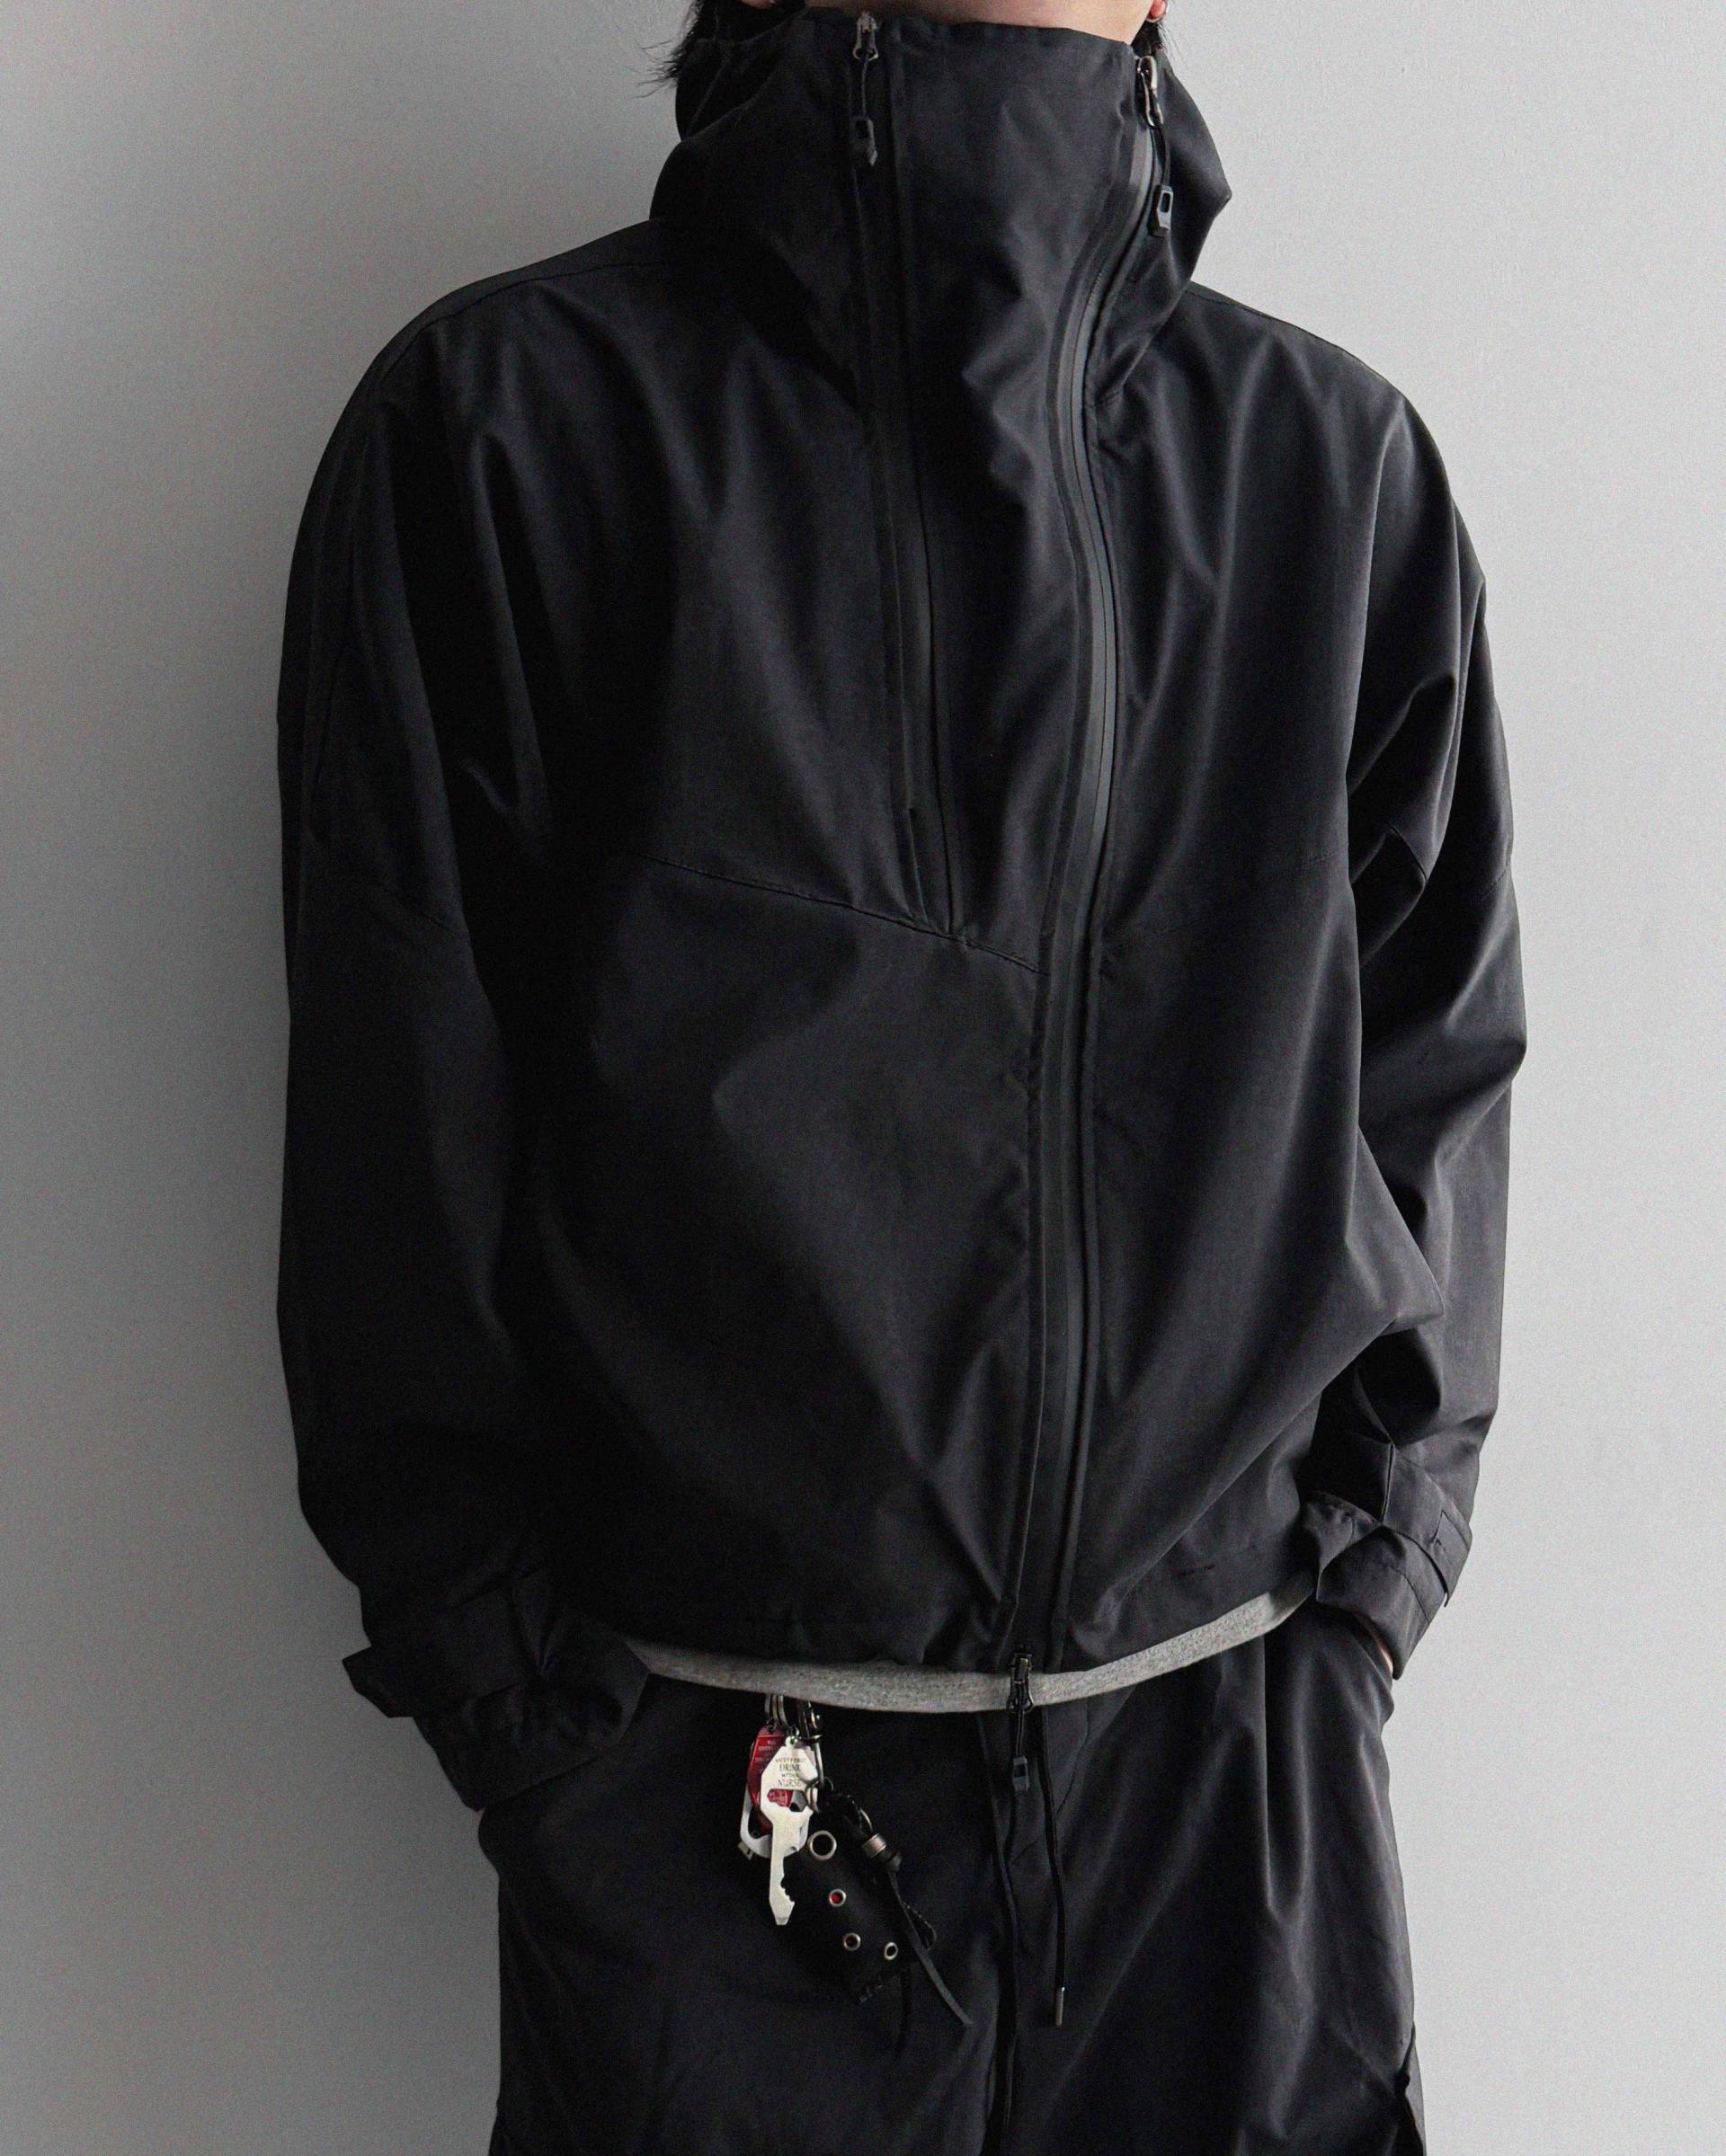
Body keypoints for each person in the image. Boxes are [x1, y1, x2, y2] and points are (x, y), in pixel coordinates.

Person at [274, 0, 1524, 2147]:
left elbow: (1437, 1083)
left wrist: (1363, 1607)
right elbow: (400, 1143)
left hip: (1234, 1819)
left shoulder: (1332, 475)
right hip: (707, 1845)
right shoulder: (506, 430)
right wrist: (540, 1737)